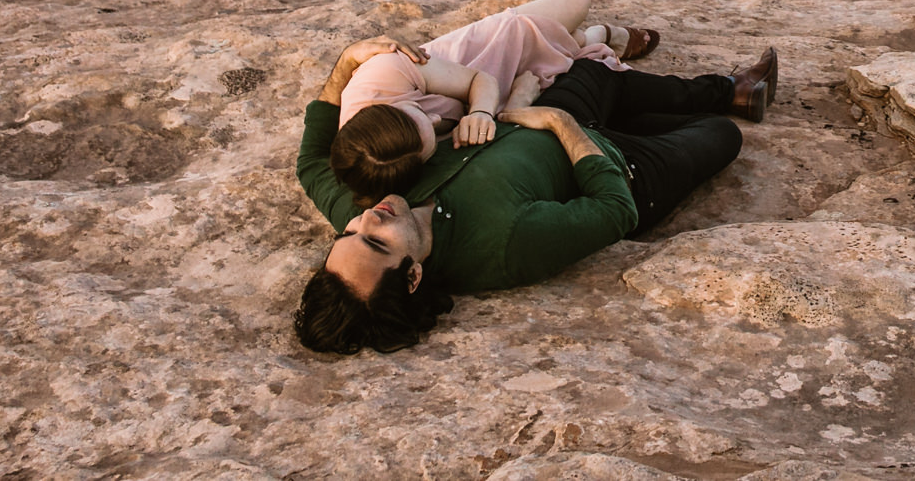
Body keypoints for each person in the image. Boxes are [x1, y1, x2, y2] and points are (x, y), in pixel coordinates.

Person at [291, 32, 777, 354]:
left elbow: (312, 159)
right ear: (413, 276)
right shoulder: (506, 247)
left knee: (593, 75)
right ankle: (702, 107)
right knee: (720, 135)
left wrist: (348, 62)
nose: (367, 220)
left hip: (537, 116)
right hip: (619, 168)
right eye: (377, 242)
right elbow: (614, 212)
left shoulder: (365, 208)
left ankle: (725, 87)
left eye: (349, 234)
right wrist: (564, 128)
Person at [326, 0, 659, 202]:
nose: (435, 117)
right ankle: (587, 39)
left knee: (578, 0)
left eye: (419, 113)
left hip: (473, 62)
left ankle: (590, 37)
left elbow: (480, 78)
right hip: (484, 100)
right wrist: (509, 107)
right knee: (557, 54)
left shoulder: (383, 73)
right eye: (431, 135)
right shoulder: (386, 164)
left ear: (386, 107)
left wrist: (481, 114)